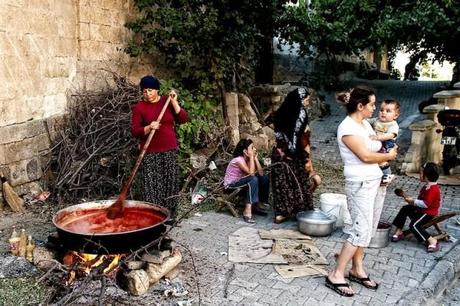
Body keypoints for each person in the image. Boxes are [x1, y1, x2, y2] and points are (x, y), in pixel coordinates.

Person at [326, 86, 398, 297]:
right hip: (359, 184)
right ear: (360, 106)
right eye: (372, 104)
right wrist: (389, 157)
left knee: (369, 227)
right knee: (360, 229)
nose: (375, 109)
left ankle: (357, 269)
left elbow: (376, 147)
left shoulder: (365, 124)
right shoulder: (347, 128)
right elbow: (365, 156)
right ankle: (337, 273)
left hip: (374, 181)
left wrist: (389, 150)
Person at [131, 75, 189, 220]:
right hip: (150, 152)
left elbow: (183, 119)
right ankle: (155, 217)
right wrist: (149, 127)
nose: (147, 94)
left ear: (157, 90)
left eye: (150, 90)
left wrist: (174, 102)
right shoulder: (139, 107)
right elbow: (135, 131)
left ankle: (170, 215)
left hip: (169, 149)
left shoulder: (166, 101)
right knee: (152, 185)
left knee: (170, 182)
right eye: (144, 91)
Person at [270, 87, 321, 224]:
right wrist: (307, 159)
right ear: (300, 100)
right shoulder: (301, 114)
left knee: (282, 184)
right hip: (296, 155)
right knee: (299, 181)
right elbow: (303, 139)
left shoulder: (280, 112)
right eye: (306, 100)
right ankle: (300, 210)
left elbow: (270, 123)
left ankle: (281, 213)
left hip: (279, 154)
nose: (307, 103)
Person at [391, 162, 442, 253]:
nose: (419, 174)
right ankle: (399, 231)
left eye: (421, 173)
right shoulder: (427, 186)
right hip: (421, 210)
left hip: (428, 213)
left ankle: (431, 240)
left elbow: (426, 204)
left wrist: (413, 201)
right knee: (405, 208)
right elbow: (420, 201)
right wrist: (411, 202)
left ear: (426, 176)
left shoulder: (433, 189)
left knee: (414, 226)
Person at [223, 139, 269, 223]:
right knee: (253, 179)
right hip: (231, 185)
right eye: (252, 148)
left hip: (242, 182)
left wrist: (255, 158)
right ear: (245, 151)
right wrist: (251, 157)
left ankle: (258, 203)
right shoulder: (238, 160)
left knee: (264, 178)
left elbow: (261, 173)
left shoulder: (247, 160)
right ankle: (247, 210)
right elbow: (251, 174)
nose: (254, 149)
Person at [367, 99, 401, 185]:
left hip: (387, 144)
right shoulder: (376, 120)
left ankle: (387, 175)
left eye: (388, 111)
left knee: (382, 160)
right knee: (376, 160)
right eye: (381, 110)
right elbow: (366, 122)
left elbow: (391, 135)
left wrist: (379, 137)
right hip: (378, 143)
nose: (383, 113)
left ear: (395, 115)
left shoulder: (393, 124)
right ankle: (378, 175)